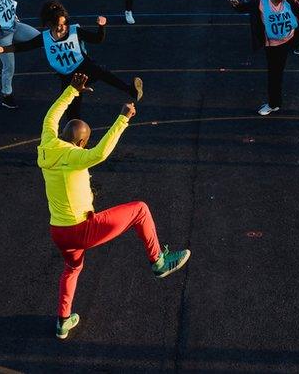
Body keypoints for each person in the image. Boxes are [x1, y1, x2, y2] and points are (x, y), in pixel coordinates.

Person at [38, 72, 190, 339]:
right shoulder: (75, 156)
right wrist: (122, 119)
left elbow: (52, 114)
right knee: (140, 210)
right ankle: (159, 262)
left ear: (61, 133)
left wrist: (72, 91)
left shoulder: (47, 143)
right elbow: (101, 153)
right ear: (82, 142)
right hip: (82, 227)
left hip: (58, 231)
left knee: (72, 269)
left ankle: (63, 321)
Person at [0, 0, 143, 120]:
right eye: (58, 25)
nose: (62, 28)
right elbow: (25, 47)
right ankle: (75, 138)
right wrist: (4, 49)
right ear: (50, 24)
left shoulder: (74, 31)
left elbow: (97, 39)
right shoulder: (45, 37)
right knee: (71, 108)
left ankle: (130, 90)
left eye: (64, 24)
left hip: (82, 66)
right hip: (67, 75)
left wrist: (101, 26)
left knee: (102, 72)